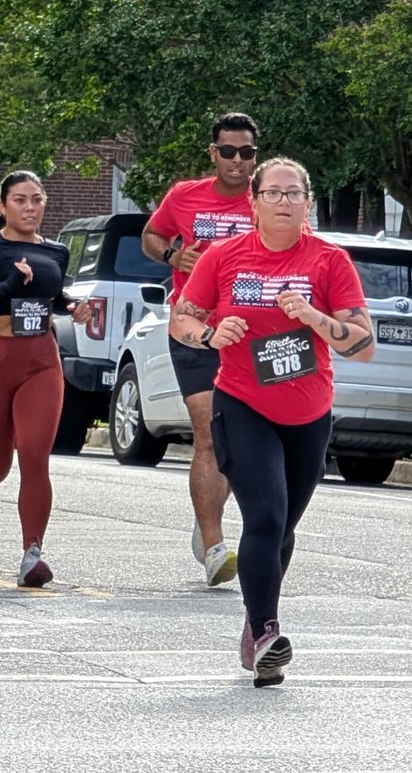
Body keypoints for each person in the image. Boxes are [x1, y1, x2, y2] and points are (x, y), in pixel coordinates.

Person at [170, 157, 373, 687]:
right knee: (264, 517)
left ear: (307, 202)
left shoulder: (330, 262)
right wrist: (211, 334)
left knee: (283, 527)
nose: (284, 201)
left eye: (294, 194)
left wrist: (315, 318)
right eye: (273, 193)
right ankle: (266, 633)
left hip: (308, 412)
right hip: (242, 402)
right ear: (253, 202)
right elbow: (182, 318)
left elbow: (363, 344)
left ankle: (254, 619)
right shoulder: (223, 257)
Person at [0, 170, 92, 587]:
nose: (30, 208)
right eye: (20, 200)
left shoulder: (57, 251)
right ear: (3, 206)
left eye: (36, 199)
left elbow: (52, 296)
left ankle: (32, 554)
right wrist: (9, 285)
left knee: (34, 452)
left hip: (40, 360)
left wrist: (73, 307)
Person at [141, 112, 260, 586]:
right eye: (228, 151)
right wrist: (173, 255)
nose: (237, 161)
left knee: (233, 439)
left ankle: (204, 510)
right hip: (193, 328)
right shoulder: (184, 196)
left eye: (247, 152)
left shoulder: (268, 199)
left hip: (250, 334)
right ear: (213, 154)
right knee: (209, 432)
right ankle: (214, 547)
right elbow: (151, 235)